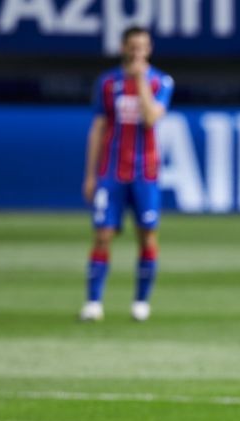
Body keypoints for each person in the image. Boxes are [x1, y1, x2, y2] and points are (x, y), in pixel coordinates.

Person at [79, 25, 174, 322]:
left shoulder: (160, 81)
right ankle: (94, 303)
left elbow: (150, 118)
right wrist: (90, 175)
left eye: (142, 47)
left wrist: (140, 80)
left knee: (147, 235)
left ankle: (140, 303)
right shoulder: (108, 83)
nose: (136, 52)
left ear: (149, 49)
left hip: (145, 173)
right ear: (123, 48)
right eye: (132, 47)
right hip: (111, 172)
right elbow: (97, 128)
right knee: (103, 234)